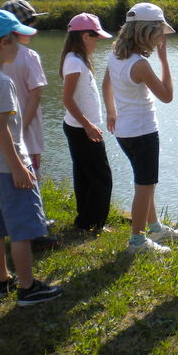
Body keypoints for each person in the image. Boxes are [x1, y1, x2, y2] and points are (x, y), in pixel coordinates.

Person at [0, 10, 62, 306]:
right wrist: (18, 168)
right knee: (22, 231)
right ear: (3, 43)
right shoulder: (2, 83)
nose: (19, 47)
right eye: (16, 41)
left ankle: (2, 281)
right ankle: (28, 287)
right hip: (8, 167)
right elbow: (2, 128)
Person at [102, 3, 178, 254]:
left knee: (145, 182)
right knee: (144, 186)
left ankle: (154, 226)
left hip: (125, 132)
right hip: (143, 133)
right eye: (160, 33)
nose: (161, 39)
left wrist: (111, 111)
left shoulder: (115, 55)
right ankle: (137, 242)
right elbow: (167, 95)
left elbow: (106, 85)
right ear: (147, 33)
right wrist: (164, 60)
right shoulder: (140, 65)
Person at [0, 0, 57, 247]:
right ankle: (35, 232)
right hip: (26, 133)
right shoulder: (29, 56)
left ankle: (17, 223)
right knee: (31, 177)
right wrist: (21, 129)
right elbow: (35, 95)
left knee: (8, 178)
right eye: (30, 23)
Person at [60, 13, 114, 232]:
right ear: (84, 36)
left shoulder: (77, 59)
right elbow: (67, 99)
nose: (97, 42)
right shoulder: (74, 61)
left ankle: (85, 221)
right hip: (81, 129)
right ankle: (96, 223)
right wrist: (88, 125)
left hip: (79, 127)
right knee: (102, 177)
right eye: (95, 37)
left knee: (85, 176)